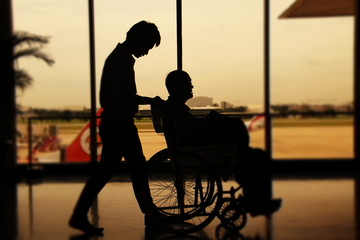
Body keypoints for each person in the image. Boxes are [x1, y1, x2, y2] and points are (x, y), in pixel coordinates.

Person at [69, 21, 163, 235]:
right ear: (138, 39)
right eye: (148, 46)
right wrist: (151, 100)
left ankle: (150, 214)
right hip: (119, 124)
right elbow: (123, 95)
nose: (147, 52)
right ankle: (151, 214)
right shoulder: (121, 60)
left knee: (115, 171)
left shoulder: (119, 57)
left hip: (116, 123)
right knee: (136, 170)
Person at [163, 69, 281, 217]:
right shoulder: (176, 109)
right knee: (255, 153)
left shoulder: (173, 108)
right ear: (178, 87)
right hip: (198, 150)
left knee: (246, 144)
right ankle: (256, 201)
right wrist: (212, 121)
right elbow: (193, 129)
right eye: (188, 83)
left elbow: (190, 127)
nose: (192, 87)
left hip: (192, 147)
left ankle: (253, 198)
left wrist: (209, 121)